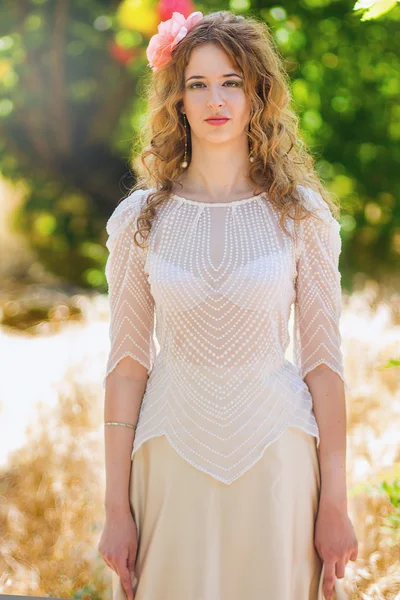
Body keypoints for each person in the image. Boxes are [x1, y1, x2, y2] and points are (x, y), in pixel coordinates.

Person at [97, 10, 358, 600]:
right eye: (199, 83)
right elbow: (126, 369)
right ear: (178, 100)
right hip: (168, 459)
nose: (216, 98)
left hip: (278, 461)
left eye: (232, 82)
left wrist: (336, 502)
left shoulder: (302, 215)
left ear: (256, 95)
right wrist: (116, 508)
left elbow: (324, 367)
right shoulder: (140, 221)